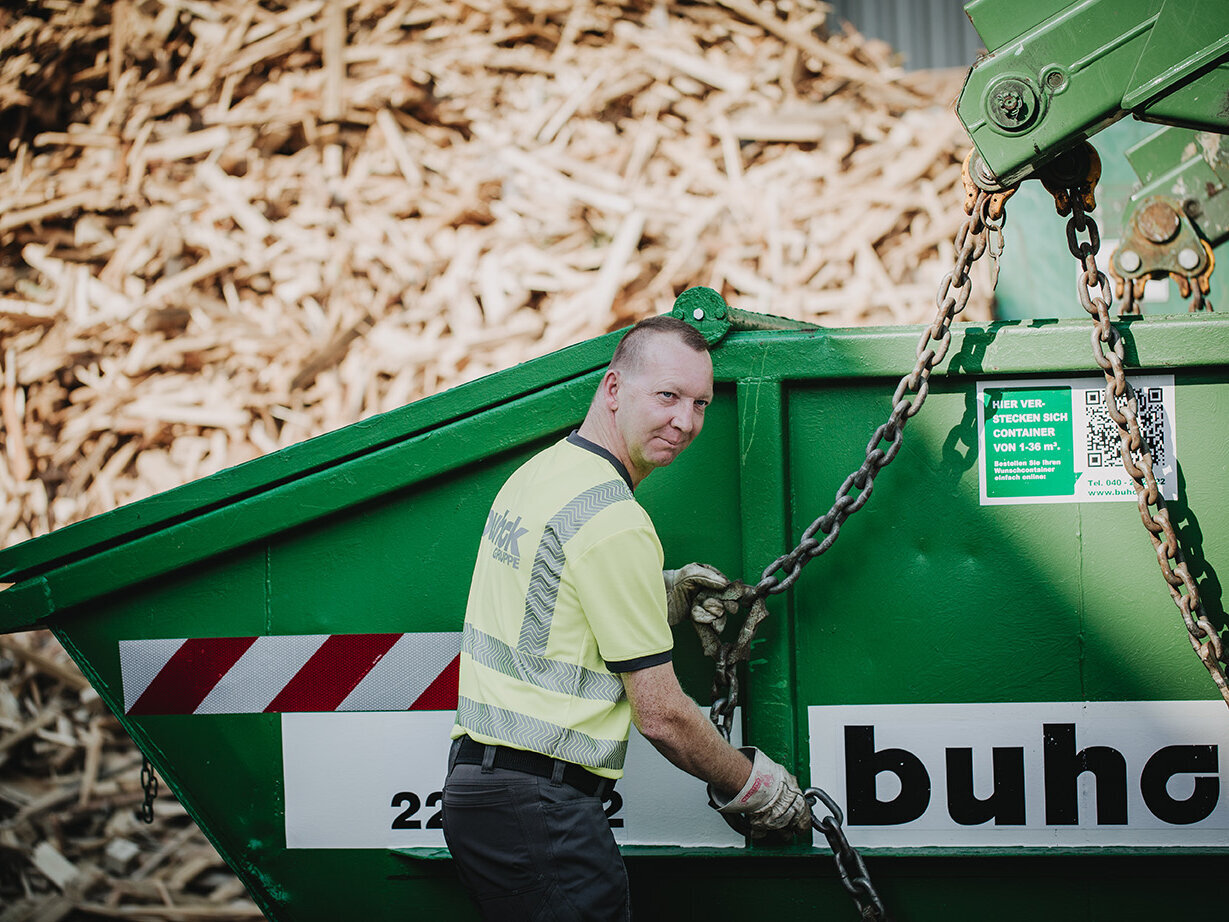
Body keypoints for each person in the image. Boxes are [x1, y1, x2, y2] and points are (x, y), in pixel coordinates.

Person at [441, 315, 810, 921]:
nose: (686, 422)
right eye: (667, 396)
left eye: (700, 404)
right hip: (542, 811)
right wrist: (753, 785)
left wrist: (663, 596)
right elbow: (662, 715)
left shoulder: (540, 477)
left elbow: (549, 608)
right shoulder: (611, 519)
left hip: (486, 795)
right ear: (613, 389)